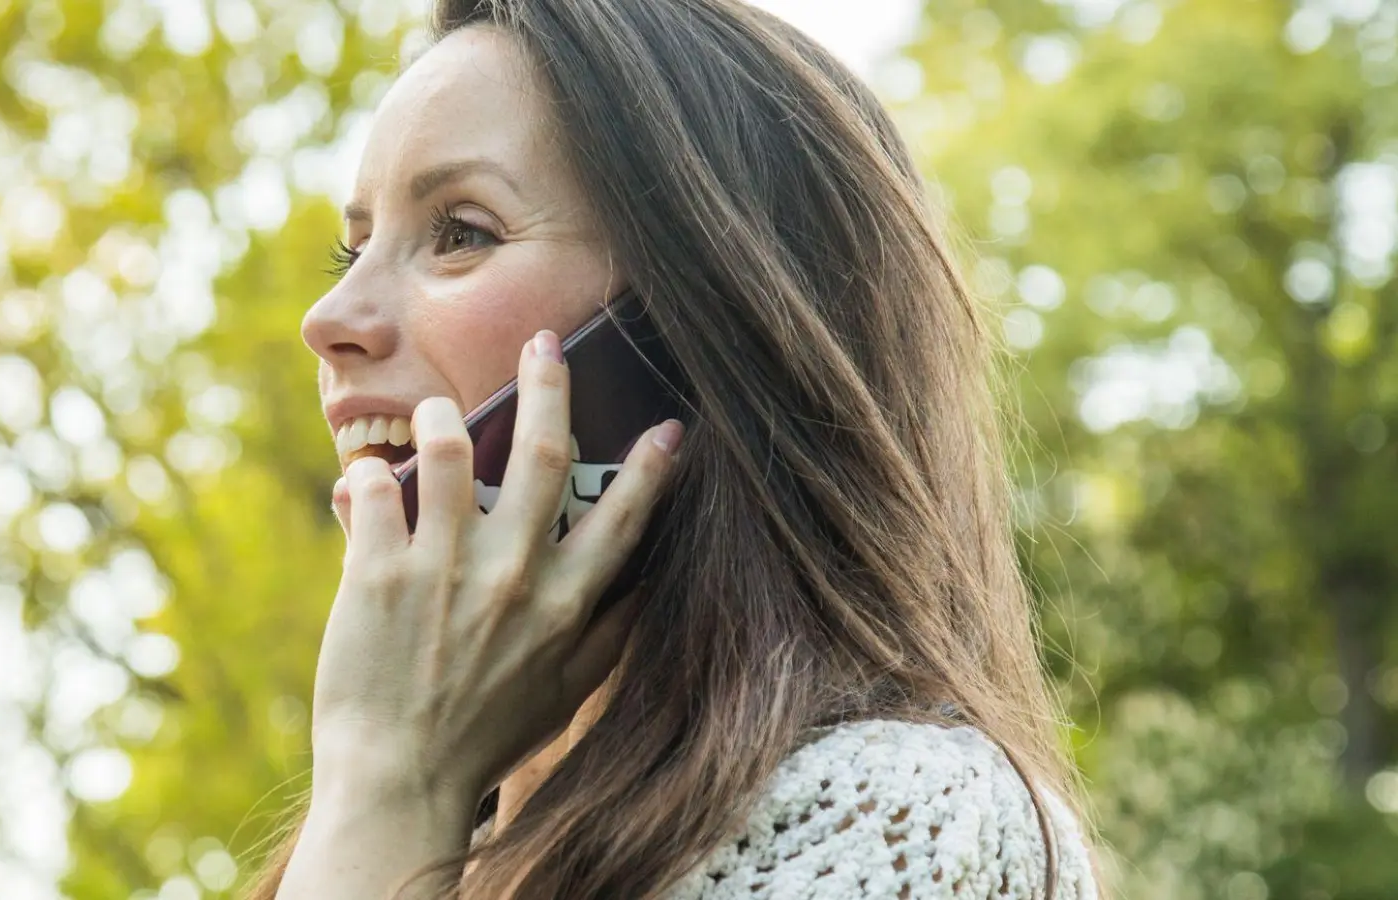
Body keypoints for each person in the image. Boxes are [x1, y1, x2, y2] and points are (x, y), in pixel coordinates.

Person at [246, 0, 1101, 896]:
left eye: (462, 232)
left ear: (686, 340)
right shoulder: (412, 821)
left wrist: (389, 780)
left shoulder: (911, 822)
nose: (328, 321)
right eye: (350, 254)